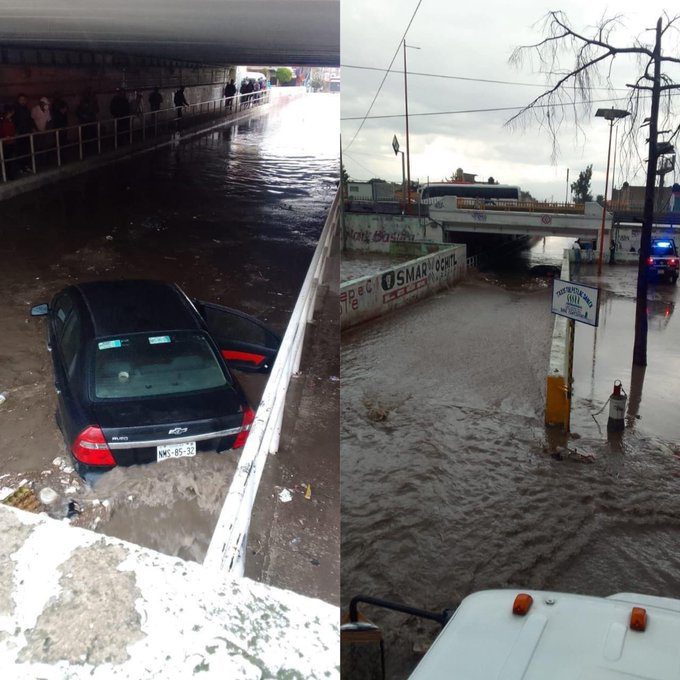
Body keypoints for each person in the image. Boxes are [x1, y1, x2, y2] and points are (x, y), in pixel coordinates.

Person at [13, 94, 34, 171]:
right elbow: (17, 122)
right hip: (20, 133)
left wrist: (31, 128)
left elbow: (29, 120)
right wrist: (17, 131)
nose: (23, 101)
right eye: (21, 99)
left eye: (24, 99)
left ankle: (26, 165)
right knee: (20, 151)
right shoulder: (16, 109)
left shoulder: (26, 109)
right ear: (18, 100)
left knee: (26, 150)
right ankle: (21, 167)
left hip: (26, 132)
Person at [0, 104, 17, 179]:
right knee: (8, 159)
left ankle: (11, 175)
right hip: (6, 143)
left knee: (10, 159)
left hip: (11, 141)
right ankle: (9, 175)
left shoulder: (9, 120)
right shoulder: (3, 121)